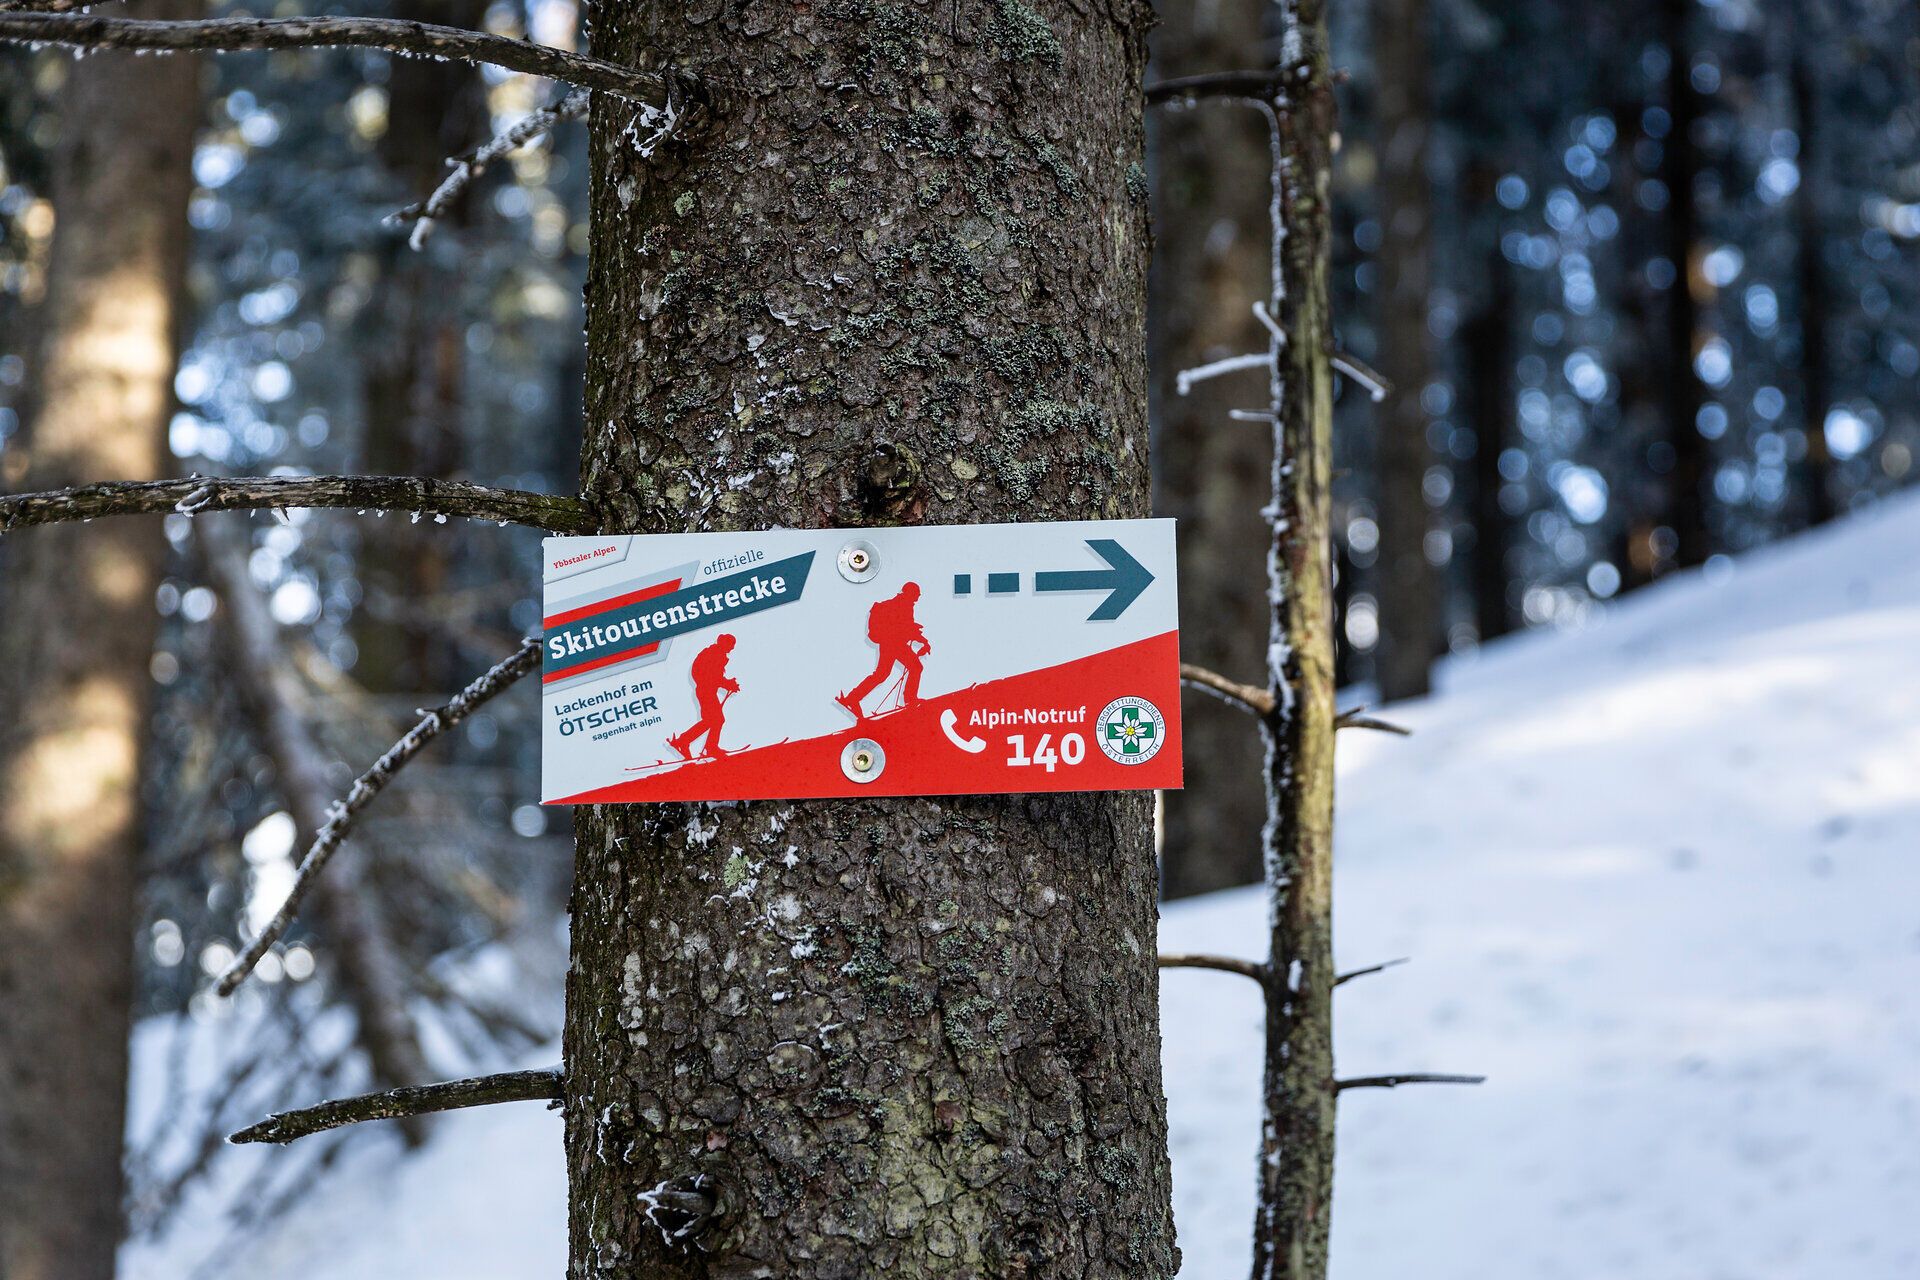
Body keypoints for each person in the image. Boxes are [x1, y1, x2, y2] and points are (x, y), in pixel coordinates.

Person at [837, 583, 929, 720]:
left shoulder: (899, 603)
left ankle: (852, 698)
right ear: (910, 593)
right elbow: (904, 626)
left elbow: (905, 626)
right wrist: (922, 640)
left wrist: (919, 636)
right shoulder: (904, 605)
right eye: (917, 593)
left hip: (889, 643)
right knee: (915, 667)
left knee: (882, 674)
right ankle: (910, 700)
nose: (918, 597)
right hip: (894, 643)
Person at [669, 634, 739, 759]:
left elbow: (713, 676)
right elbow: (713, 677)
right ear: (725, 643)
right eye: (731, 645)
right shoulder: (716, 655)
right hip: (706, 692)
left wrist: (728, 683)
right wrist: (728, 684)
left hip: (705, 691)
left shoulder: (713, 653)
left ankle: (684, 741)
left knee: (710, 721)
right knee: (717, 720)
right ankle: (708, 747)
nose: (732, 648)